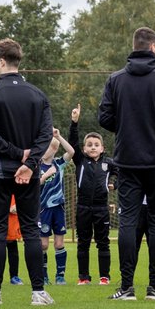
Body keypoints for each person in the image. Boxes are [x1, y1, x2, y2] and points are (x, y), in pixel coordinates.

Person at [98, 27, 155, 301]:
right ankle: (154, 287)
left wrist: (126, 126)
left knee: (127, 221)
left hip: (127, 159)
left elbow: (104, 118)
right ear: (153, 48)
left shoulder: (116, 79)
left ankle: (126, 287)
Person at [0, 37, 54, 306]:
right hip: (28, 174)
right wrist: (29, 164)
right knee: (31, 230)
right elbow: (45, 137)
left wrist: (18, 156)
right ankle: (38, 293)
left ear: (2, 61)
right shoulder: (38, 95)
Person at [68, 104, 115, 285]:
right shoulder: (80, 160)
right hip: (83, 208)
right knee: (83, 243)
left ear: (102, 148)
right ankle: (84, 277)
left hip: (101, 208)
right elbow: (72, 143)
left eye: (96, 145)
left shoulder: (108, 164)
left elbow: (121, 173)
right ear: (84, 148)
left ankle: (104, 277)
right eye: (89, 145)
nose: (93, 147)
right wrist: (74, 123)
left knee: (103, 243)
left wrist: (114, 183)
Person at [38, 128, 74, 284]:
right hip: (43, 209)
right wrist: (46, 175)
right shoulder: (36, 166)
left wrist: (59, 136)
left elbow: (71, 152)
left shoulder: (59, 163)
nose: (49, 151)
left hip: (58, 208)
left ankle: (60, 276)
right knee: (43, 244)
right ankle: (43, 275)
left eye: (52, 148)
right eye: (46, 147)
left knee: (59, 243)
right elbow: (35, 184)